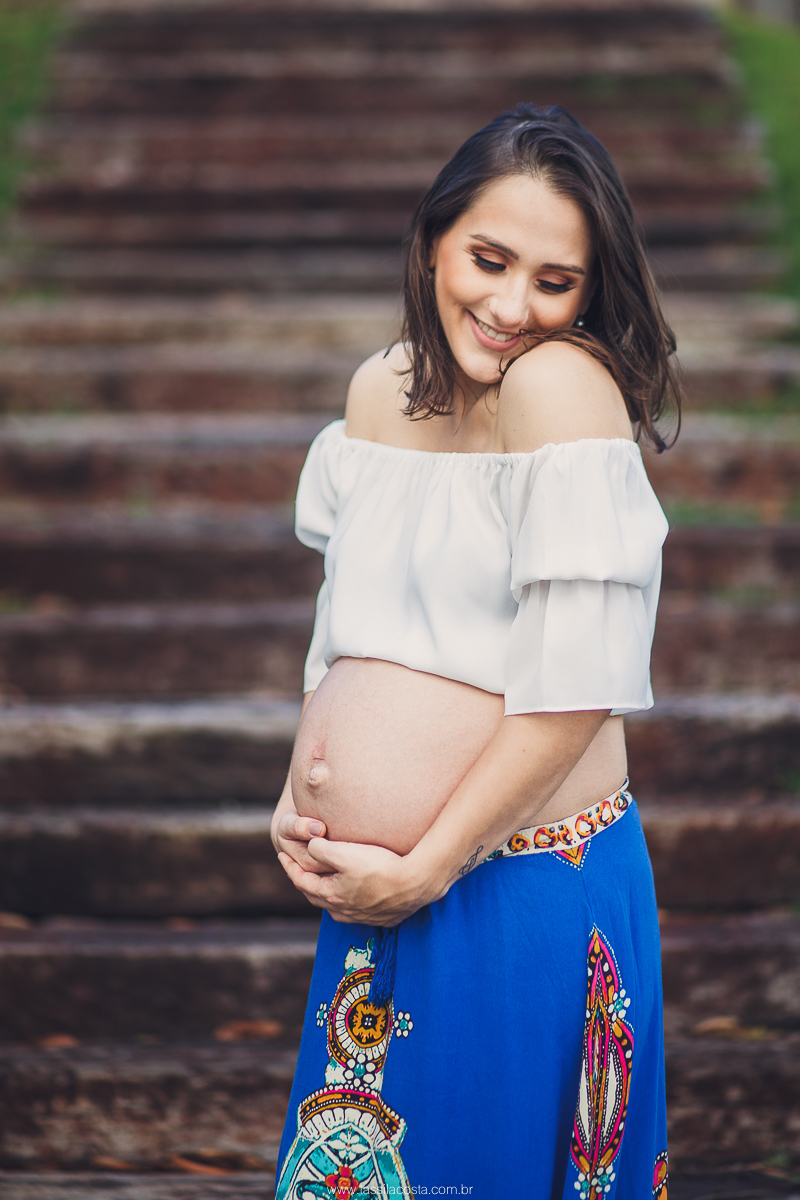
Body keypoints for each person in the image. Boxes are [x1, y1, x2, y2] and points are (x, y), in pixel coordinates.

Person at [271, 103, 678, 1199]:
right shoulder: (379, 389)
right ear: (431, 240)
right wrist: (297, 789)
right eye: (487, 260)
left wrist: (427, 866)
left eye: (554, 280)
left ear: (590, 293)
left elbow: (575, 690)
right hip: (378, 893)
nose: (510, 307)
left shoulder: (557, 388)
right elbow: (344, 631)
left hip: (510, 884)